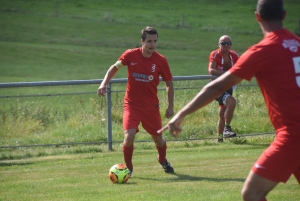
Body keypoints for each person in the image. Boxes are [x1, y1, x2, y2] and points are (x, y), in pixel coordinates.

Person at [158, 0, 300, 200]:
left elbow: (217, 85)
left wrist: (180, 114)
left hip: (293, 135)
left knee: (252, 193)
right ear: (284, 15)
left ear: (257, 17)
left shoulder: (262, 51)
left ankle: (225, 129)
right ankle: (224, 131)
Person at [98, 26, 175, 177]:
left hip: (151, 108)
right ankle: (128, 169)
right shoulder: (130, 55)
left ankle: (163, 159)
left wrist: (170, 106)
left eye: (155, 41)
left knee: (159, 140)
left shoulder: (161, 60)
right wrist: (103, 83)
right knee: (129, 136)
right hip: (131, 105)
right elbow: (114, 68)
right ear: (142, 41)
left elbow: (169, 83)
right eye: (149, 41)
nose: (152, 45)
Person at [208, 35, 239, 142]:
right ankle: (227, 128)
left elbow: (241, 67)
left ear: (231, 44)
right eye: (223, 43)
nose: (226, 45)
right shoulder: (215, 54)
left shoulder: (234, 55)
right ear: (219, 44)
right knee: (232, 102)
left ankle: (219, 139)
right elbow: (211, 70)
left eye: (228, 43)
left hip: (229, 86)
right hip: (217, 87)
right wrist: (228, 73)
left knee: (222, 113)